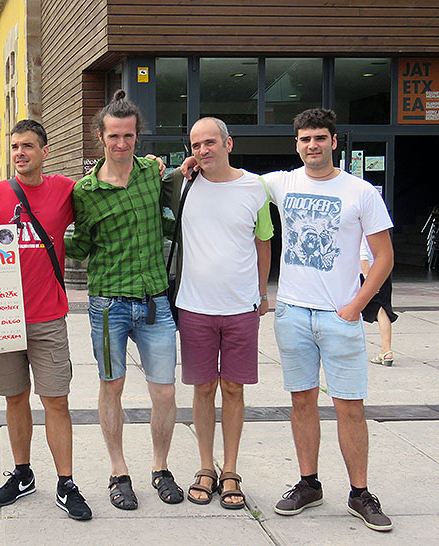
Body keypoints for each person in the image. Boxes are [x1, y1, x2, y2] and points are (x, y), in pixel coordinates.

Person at [183, 108, 395, 531]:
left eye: (319, 138)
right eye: (304, 139)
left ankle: (360, 492)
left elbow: (384, 256)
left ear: (334, 142)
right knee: (301, 402)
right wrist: (192, 162)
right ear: (296, 144)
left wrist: (356, 305)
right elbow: (229, 177)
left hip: (339, 315)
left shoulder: (361, 192)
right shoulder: (277, 183)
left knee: (350, 406)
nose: (312, 145)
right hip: (293, 312)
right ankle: (308, 483)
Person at [0, 119, 92, 520]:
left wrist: (155, 166)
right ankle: (22, 473)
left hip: (47, 315)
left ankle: (66, 482)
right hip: (3, 317)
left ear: (44, 151)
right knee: (15, 397)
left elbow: (103, 186)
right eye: (15, 146)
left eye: (27, 146)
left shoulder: (65, 190)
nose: (19, 153)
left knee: (56, 400)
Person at [68, 89, 183, 510]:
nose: (121, 143)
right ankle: (118, 471)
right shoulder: (85, 191)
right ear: (100, 136)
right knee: (111, 387)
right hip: (108, 305)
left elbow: (180, 195)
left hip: (154, 301)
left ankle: (160, 467)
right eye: (114, 136)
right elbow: (80, 245)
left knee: (164, 392)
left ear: (138, 136)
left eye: (128, 136)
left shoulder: (152, 174)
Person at [173, 117, 272, 509]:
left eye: (210, 142)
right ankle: (205, 466)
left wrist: (261, 293)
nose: (202, 151)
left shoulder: (255, 187)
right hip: (194, 305)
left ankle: (230, 469)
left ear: (228, 143)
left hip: (240, 307)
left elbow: (263, 242)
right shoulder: (183, 184)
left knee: (233, 388)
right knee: (202, 389)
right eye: (196, 145)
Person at [360, 235, 397, 366]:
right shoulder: (380, 231)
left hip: (368, 273)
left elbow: (363, 255)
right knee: (382, 310)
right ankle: (386, 350)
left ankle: (345, 348)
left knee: (352, 310)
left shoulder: (362, 228)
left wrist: (368, 280)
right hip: (383, 271)